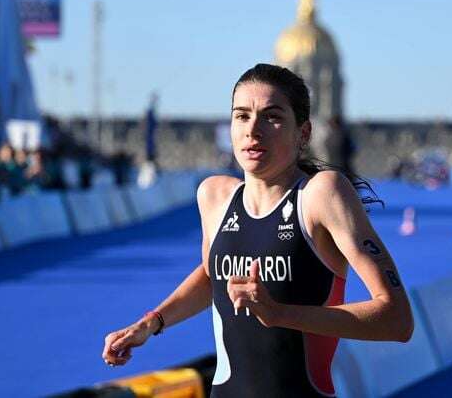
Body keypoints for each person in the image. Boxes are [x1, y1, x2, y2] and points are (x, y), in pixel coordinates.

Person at [101, 64, 414, 397]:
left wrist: (279, 313)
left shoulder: (321, 195)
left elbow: (396, 319)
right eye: (241, 116)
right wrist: (151, 322)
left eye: (272, 116)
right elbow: (213, 277)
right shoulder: (214, 196)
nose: (253, 130)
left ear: (303, 134)